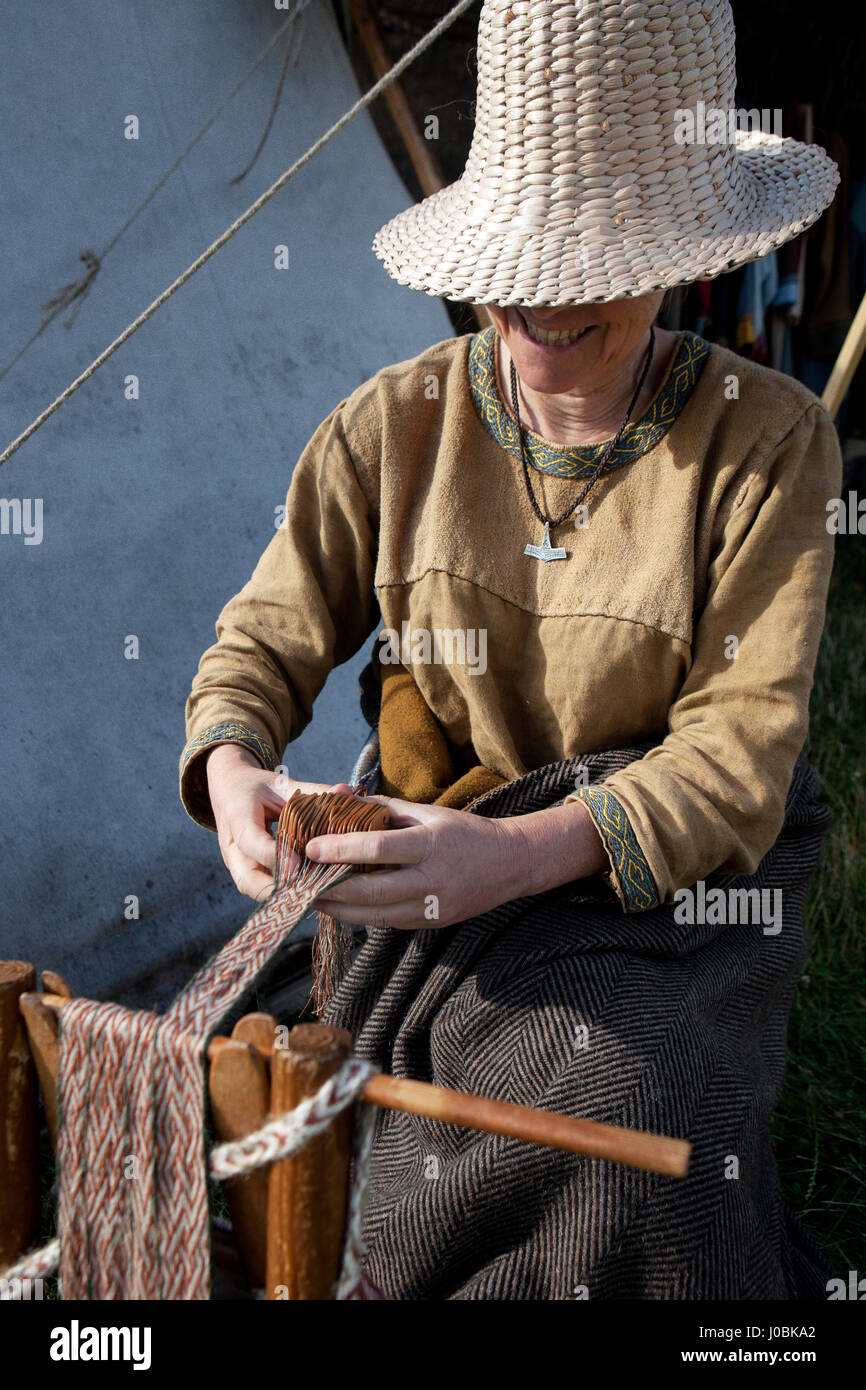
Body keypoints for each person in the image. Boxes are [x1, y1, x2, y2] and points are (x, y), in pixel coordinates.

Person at [180, 0, 842, 1299]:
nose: (545, 298)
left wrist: (519, 857)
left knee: (640, 1103)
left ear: (688, 251)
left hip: (667, 892)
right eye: (523, 253)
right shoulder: (390, 429)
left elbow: (736, 758)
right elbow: (262, 638)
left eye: (599, 254)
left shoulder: (765, 443)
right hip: (447, 861)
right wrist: (230, 770)